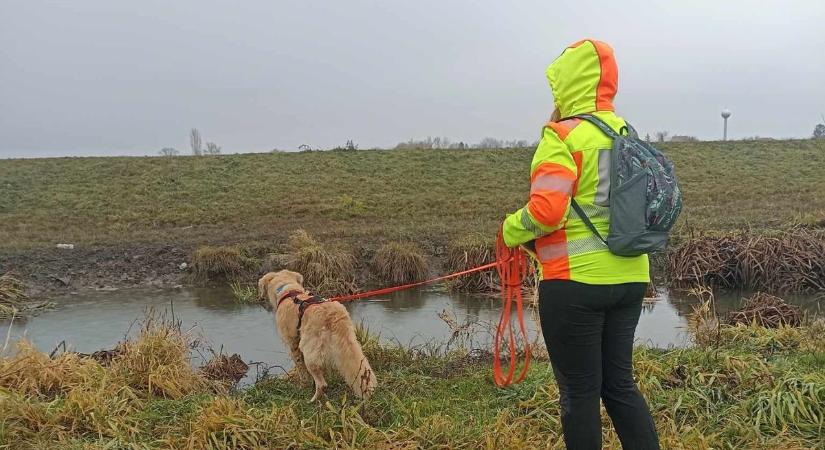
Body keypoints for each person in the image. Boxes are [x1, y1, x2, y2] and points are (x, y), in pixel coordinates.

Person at [502, 39, 660, 450]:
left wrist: (509, 230)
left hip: (574, 286)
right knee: (620, 386)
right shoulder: (628, 133)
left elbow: (546, 211)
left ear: (566, 86)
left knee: (579, 394)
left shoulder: (561, 137)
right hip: (631, 278)